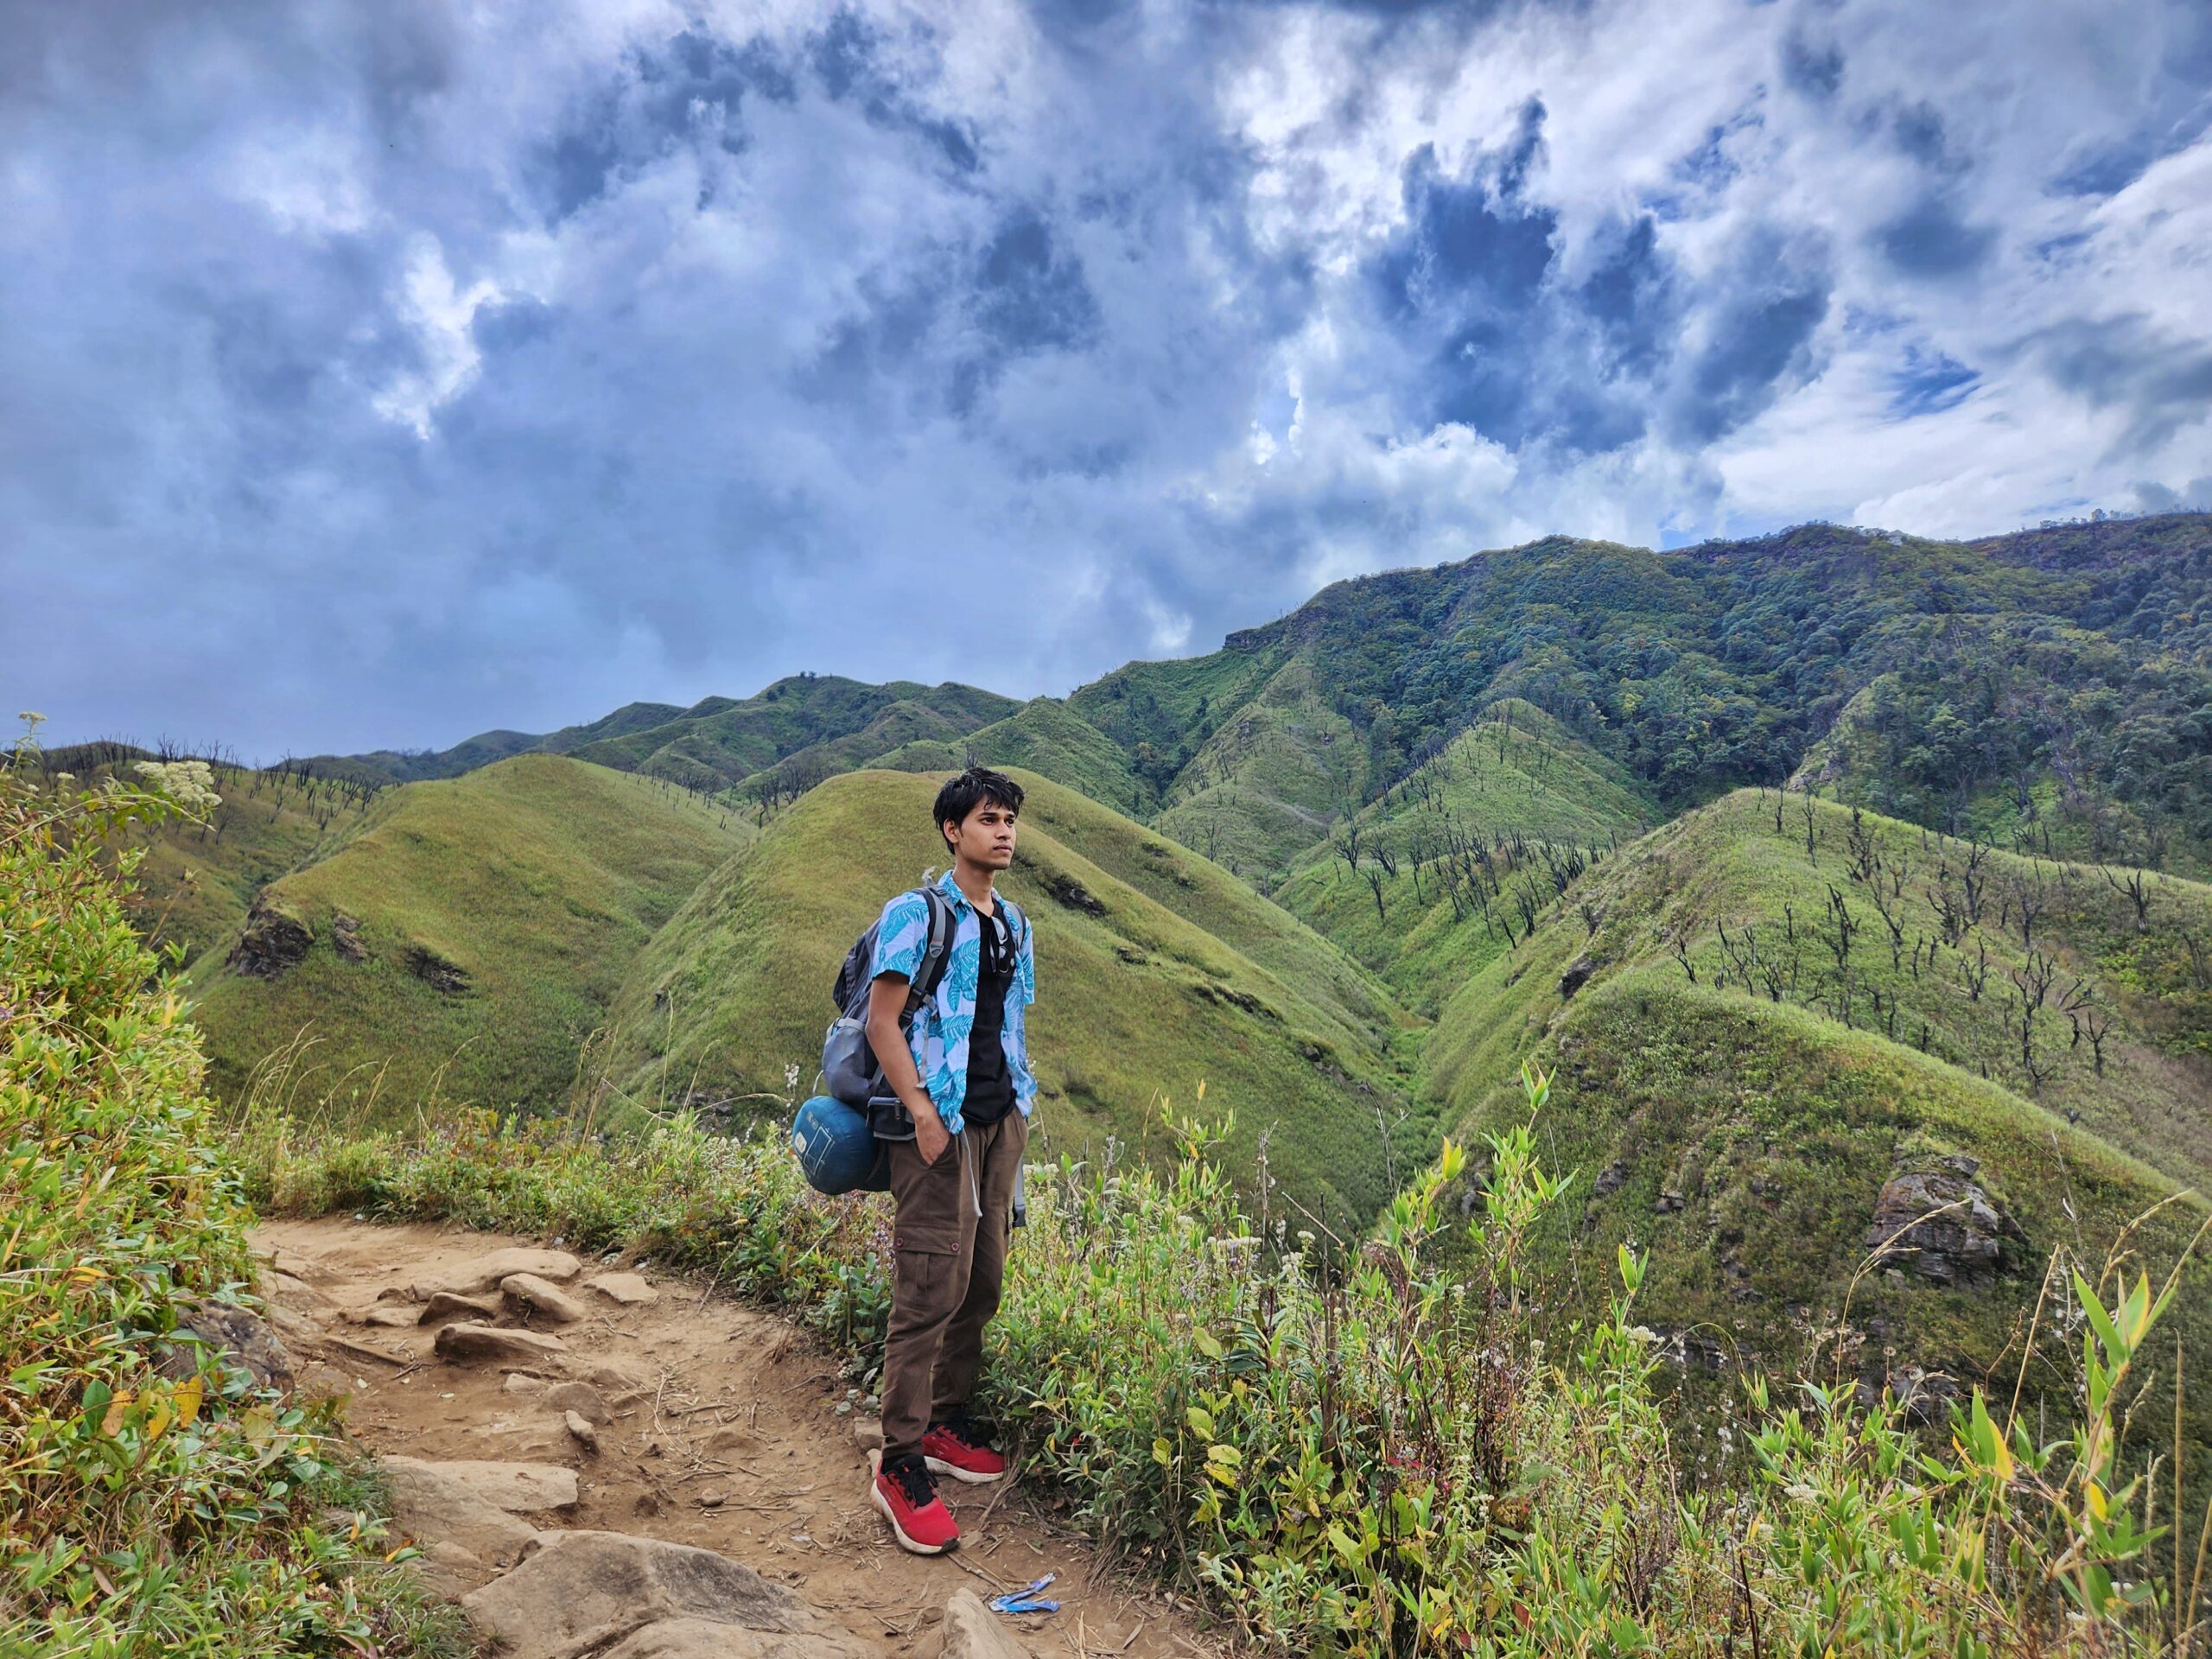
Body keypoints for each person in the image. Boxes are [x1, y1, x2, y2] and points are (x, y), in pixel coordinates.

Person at [861, 766, 1036, 1554]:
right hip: (939, 1125)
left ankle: (944, 1421)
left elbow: (1007, 1023)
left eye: (1009, 820)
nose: (1003, 832)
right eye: (988, 819)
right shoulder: (918, 913)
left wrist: (1019, 1111)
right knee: (930, 1284)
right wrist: (927, 1116)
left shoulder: (1014, 923)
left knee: (982, 1279)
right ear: (951, 831)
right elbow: (882, 1023)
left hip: (999, 1122)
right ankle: (898, 1460)